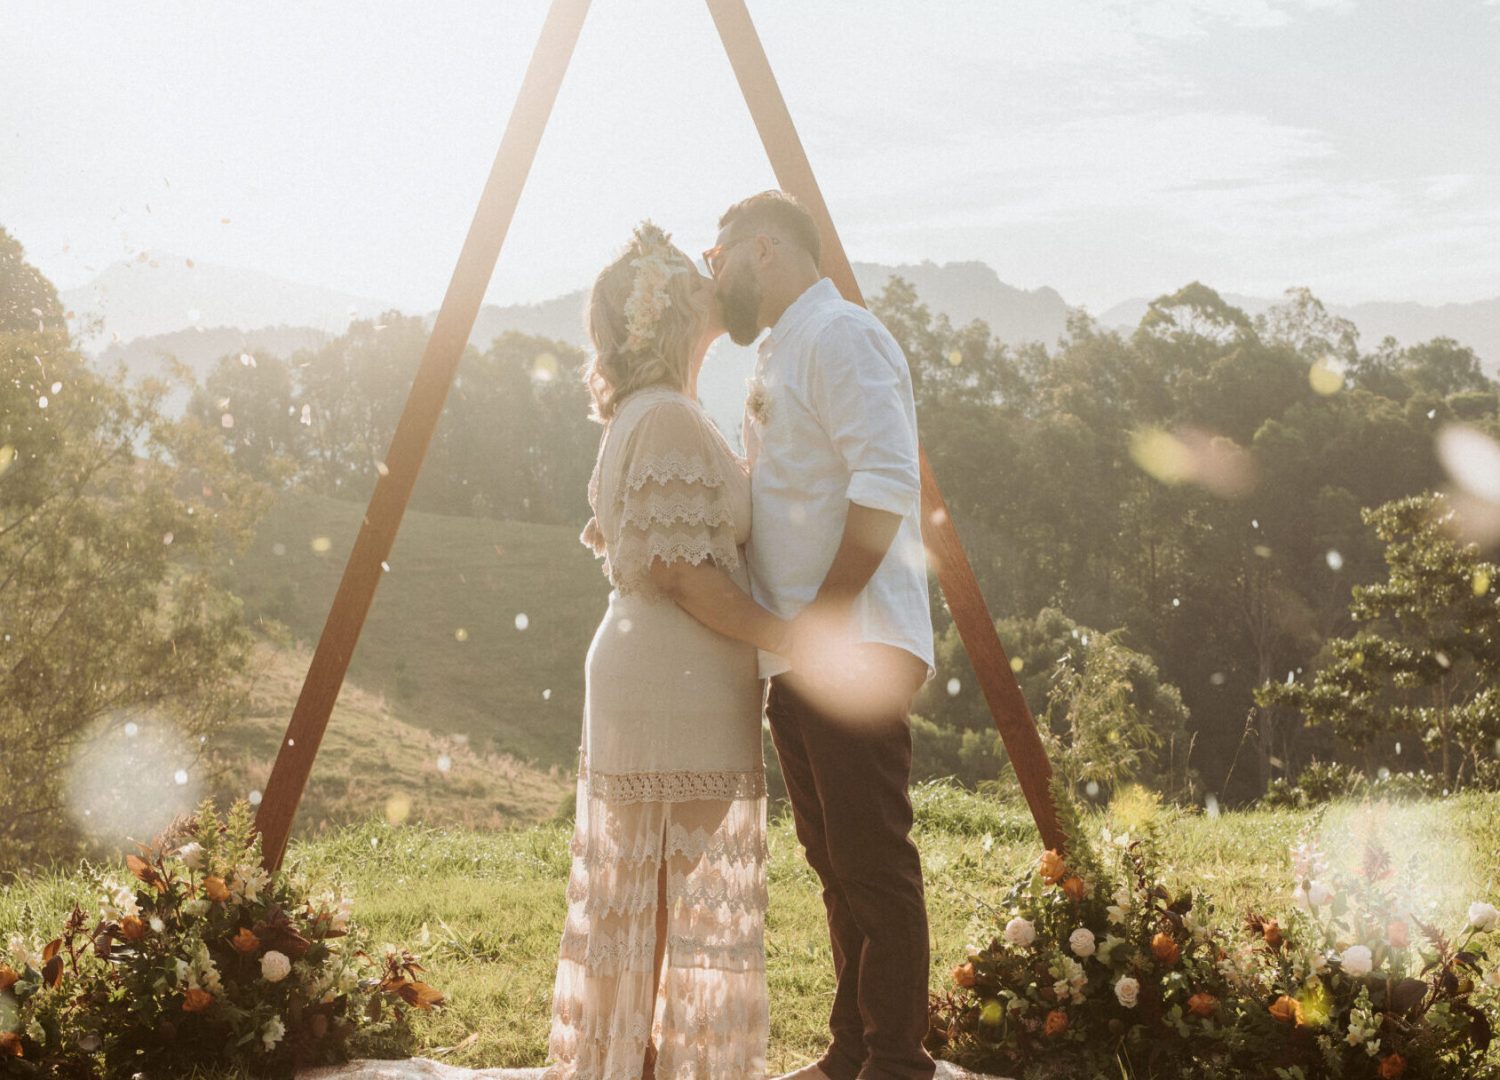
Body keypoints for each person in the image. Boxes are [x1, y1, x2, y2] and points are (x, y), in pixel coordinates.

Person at [542, 221, 789, 1080]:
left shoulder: (649, 415)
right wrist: (795, 640)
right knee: (652, 893)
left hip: (656, 671)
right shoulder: (671, 419)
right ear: (677, 310)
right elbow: (686, 574)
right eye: (698, 277)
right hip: (670, 679)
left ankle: (635, 1059)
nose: (714, 283)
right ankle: (636, 1066)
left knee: (647, 892)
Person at [705, 190, 937, 1080]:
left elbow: (885, 484)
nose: (712, 273)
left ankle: (898, 1062)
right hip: (800, 651)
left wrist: (824, 619)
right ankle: (854, 1052)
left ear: (762, 249)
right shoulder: (782, 347)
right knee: (835, 863)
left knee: (872, 856)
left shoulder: (843, 337)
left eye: (714, 254)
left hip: (854, 640)